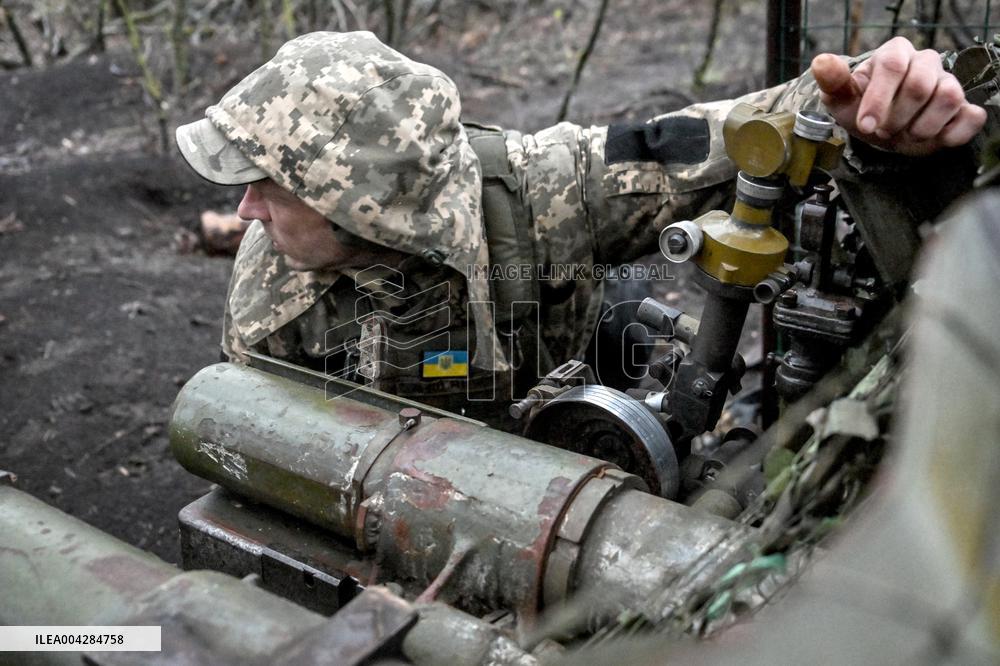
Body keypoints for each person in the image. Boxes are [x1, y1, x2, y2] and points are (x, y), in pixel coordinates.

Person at [175, 31, 985, 424]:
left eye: (267, 186)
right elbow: (265, 465)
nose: (245, 213)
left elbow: (707, 137)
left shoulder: (544, 187)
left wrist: (861, 104)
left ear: (360, 201)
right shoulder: (272, 306)